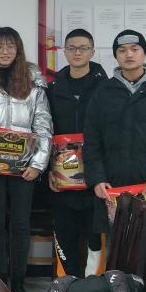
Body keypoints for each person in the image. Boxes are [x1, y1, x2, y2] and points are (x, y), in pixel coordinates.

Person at [0, 27, 52, 292]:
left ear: (18, 49)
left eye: (10, 46)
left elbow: (43, 125)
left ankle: (18, 285)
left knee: (20, 225)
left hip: (24, 169)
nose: (4, 51)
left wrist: (38, 164)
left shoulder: (33, 82)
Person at [83, 30, 146, 237]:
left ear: (144, 53)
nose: (129, 54)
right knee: (116, 248)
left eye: (134, 49)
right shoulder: (103, 93)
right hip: (113, 189)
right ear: (116, 56)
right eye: (122, 50)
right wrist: (97, 178)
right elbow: (92, 140)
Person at [45, 28, 107, 278]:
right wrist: (49, 171)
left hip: (97, 181)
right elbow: (46, 131)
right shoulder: (53, 88)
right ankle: (66, 290)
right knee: (65, 240)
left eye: (83, 48)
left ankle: (94, 291)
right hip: (63, 180)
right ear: (64, 51)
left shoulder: (106, 88)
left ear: (92, 52)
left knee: (96, 242)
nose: (77, 52)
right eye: (72, 48)